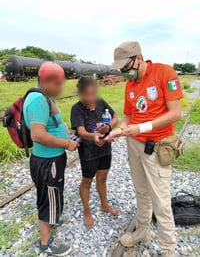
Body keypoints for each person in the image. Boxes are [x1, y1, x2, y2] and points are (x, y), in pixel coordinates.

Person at [107, 41, 184, 257]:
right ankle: (142, 231)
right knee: (141, 192)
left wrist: (141, 127)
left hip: (158, 145)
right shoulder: (130, 85)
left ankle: (168, 249)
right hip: (134, 144)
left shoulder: (164, 72)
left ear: (138, 57)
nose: (124, 72)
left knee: (160, 200)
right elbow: (129, 116)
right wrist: (119, 130)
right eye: (120, 69)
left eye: (125, 67)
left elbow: (175, 112)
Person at [23, 62, 79, 256]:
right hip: (48, 161)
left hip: (51, 159)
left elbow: (49, 125)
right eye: (58, 84)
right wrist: (66, 144)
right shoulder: (38, 100)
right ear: (46, 81)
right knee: (48, 196)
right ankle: (45, 242)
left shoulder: (42, 97)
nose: (60, 88)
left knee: (51, 194)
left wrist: (66, 133)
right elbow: (37, 135)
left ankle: (52, 218)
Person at [70, 77, 119, 228]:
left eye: (93, 94)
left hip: (105, 149)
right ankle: (86, 211)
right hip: (89, 153)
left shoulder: (101, 103)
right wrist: (94, 136)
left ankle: (104, 204)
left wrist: (109, 127)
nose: (90, 98)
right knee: (87, 182)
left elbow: (116, 117)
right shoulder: (77, 109)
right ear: (80, 94)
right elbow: (81, 131)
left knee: (102, 179)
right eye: (87, 94)